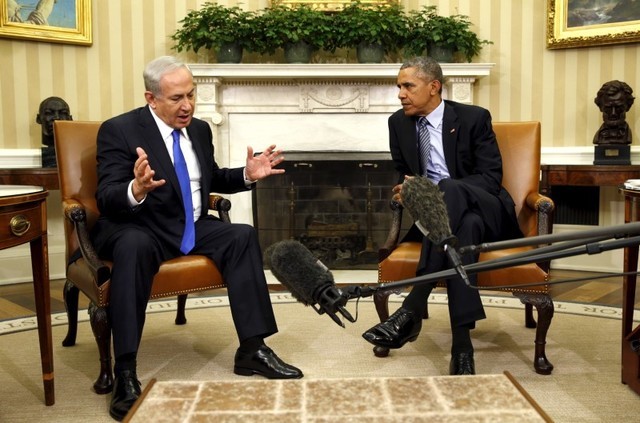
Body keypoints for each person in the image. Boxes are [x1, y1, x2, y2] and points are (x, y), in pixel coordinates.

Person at [93, 56, 302, 421]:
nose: (187, 105)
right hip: (140, 225)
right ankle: (125, 370)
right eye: (176, 98)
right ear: (151, 98)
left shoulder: (201, 130)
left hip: (188, 223)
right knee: (133, 246)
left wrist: (247, 175)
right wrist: (136, 188)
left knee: (241, 235)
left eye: (191, 95)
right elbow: (106, 196)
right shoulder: (120, 130)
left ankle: (252, 348)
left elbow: (212, 177)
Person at [362, 56, 522, 375]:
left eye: (408, 86)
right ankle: (462, 347)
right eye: (399, 86)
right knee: (466, 231)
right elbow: (403, 172)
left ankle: (412, 307)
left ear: (433, 87)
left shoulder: (473, 117)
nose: (400, 94)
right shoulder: (398, 124)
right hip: (453, 223)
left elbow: (491, 178)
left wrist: (443, 189)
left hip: (486, 208)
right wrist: (404, 190)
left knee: (449, 189)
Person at [593, 80, 635, 145]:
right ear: (600, 107)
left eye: (618, 108)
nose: (613, 113)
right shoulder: (598, 137)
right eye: (608, 108)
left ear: (628, 107)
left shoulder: (627, 135)